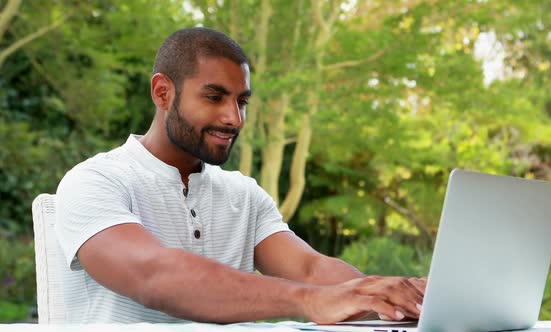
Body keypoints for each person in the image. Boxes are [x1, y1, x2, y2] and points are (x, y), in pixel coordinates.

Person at [55, 27, 426, 324]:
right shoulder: (95, 181)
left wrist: (393, 295)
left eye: (242, 101)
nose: (234, 118)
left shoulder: (242, 193)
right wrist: (311, 301)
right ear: (163, 93)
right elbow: (154, 277)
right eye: (214, 97)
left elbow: (309, 269)